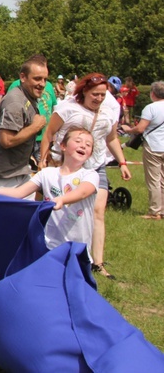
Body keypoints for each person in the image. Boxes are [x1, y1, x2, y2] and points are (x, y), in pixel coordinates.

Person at [39, 72, 131, 279]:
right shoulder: (67, 108)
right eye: (95, 94)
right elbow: (49, 133)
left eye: (102, 94)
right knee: (61, 210)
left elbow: (112, 138)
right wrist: (43, 160)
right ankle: (50, 250)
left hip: (95, 166)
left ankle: (97, 263)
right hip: (65, 165)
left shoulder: (108, 114)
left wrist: (123, 162)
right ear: (84, 92)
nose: (99, 98)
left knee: (98, 211)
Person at [0, 127, 99, 254]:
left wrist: (61, 200)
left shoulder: (90, 175)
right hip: (49, 244)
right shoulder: (47, 173)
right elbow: (18, 193)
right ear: (63, 146)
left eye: (88, 145)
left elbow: (82, 192)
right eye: (78, 141)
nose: (83, 146)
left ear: (90, 153)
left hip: (77, 247)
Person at [0, 55, 48, 191]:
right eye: (37, 78)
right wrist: (35, 126)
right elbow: (7, 140)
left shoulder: (27, 96)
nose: (42, 84)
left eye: (45, 79)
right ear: (23, 77)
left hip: (17, 173)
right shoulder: (15, 102)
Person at [121, 81, 164, 220]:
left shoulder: (150, 108)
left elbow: (140, 128)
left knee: (154, 180)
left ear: (153, 93)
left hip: (153, 146)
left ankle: (155, 211)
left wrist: (128, 129)